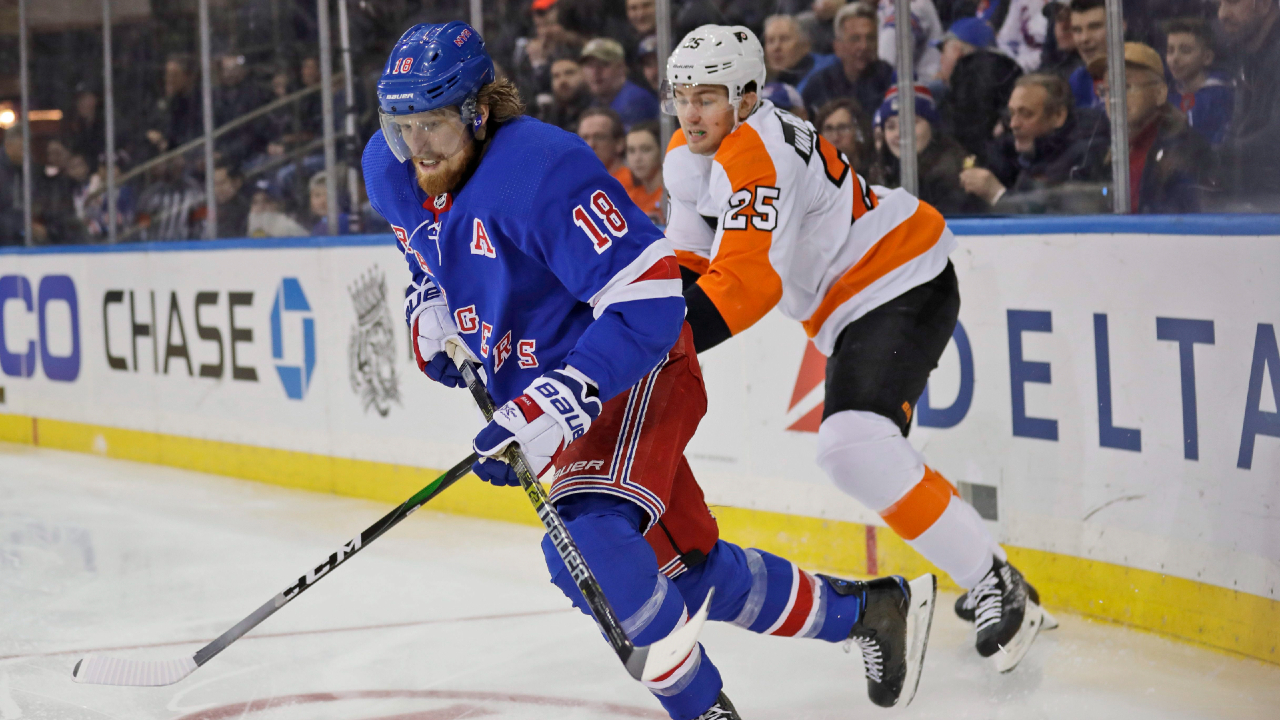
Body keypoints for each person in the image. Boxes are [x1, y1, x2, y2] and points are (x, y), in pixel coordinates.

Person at [364, 21, 937, 720]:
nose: (415, 148)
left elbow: (651, 298)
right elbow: (425, 249)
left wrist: (559, 402)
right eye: (401, 127)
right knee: (685, 574)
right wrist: (429, 298)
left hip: (633, 367)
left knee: (590, 545)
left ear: (477, 112)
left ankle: (701, 709)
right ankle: (868, 611)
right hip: (546, 392)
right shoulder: (388, 165)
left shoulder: (541, 170)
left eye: (432, 127)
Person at [662, 24, 1049, 676]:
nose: (691, 112)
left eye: (708, 96)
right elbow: (689, 267)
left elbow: (747, 286)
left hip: (902, 278)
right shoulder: (689, 154)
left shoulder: (757, 154)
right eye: (681, 95)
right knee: (857, 449)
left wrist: (646, 347)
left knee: (853, 446)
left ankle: (995, 581)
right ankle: (988, 570)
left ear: (749, 96)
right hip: (854, 306)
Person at [1089, 44, 1212, 213]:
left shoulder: (1184, 149)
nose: (1114, 99)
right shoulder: (1099, 150)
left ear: (1160, 93)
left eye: (1126, 87)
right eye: (1107, 90)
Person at [960, 73, 1109, 211]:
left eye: (1025, 114)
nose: (1014, 124)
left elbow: (1060, 220)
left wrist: (998, 195)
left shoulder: (1086, 156)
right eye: (1011, 114)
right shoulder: (1024, 156)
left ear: (1058, 116)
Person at [870, 85, 988, 214]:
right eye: (891, 127)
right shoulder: (879, 175)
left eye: (911, 122)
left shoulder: (958, 177)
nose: (899, 133)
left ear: (932, 128)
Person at [1216, 0, 1280, 206]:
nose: (1221, 13)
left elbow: (1275, 141)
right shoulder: (1246, 57)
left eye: (1232, 2)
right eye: (1219, 3)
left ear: (1263, 4)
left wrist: (1211, 157)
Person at [936, 17, 1025, 158]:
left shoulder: (969, 82)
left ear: (957, 52)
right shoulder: (1010, 71)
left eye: (943, 51)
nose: (940, 59)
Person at [801, 3, 895, 120]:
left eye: (870, 38)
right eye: (855, 39)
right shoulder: (819, 86)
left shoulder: (890, 80)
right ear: (837, 47)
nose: (864, 46)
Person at [1163, 18, 1232, 147]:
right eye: (1170, 51)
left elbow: (1217, 147)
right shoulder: (1169, 97)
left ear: (1207, 58)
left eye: (1185, 51)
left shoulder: (1220, 97)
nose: (1175, 58)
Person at [581, 37, 659, 128]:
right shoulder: (596, 102)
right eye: (590, 66)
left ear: (621, 68)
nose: (596, 72)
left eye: (604, 64)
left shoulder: (635, 100)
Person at [763, 14, 837, 91]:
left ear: (805, 45)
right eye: (770, 41)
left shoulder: (829, 72)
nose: (776, 47)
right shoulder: (766, 86)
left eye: (784, 39)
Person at [876, 0, 944, 80]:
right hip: (901, 84)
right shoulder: (884, 5)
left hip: (925, 84)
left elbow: (887, 59)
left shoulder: (917, 4)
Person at [618, 121, 665, 223]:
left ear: (662, 151)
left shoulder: (671, 196)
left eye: (645, 149)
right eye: (631, 151)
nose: (637, 158)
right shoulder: (630, 198)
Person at [1066, 0, 1108, 108]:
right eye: (1077, 30)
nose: (1084, 38)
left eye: (1094, 27)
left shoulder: (1141, 75)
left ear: (1121, 26)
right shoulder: (1078, 80)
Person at [816, 96, 873, 176]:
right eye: (828, 129)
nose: (835, 137)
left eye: (843, 128)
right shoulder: (813, 178)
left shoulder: (877, 173)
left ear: (858, 132)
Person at [538, 53, 596, 131]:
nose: (562, 81)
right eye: (556, 76)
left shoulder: (597, 110)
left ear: (584, 74)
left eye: (569, 73)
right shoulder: (548, 117)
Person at [577, 106, 630, 181]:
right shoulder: (576, 181)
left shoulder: (635, 182)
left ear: (619, 144)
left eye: (599, 137)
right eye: (584, 138)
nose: (590, 145)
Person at [995, 0, 1049, 72]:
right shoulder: (1021, 2)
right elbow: (1006, 39)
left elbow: (1053, 50)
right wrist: (1010, 62)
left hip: (1047, 66)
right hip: (1018, 61)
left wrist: (1018, 65)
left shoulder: (1062, 3)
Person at [213, 164, 252, 238]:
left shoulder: (245, 209)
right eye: (215, 184)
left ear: (237, 182)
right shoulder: (206, 206)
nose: (217, 189)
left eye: (222, 183)